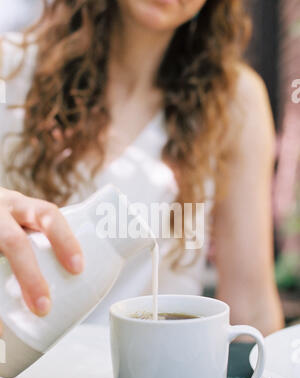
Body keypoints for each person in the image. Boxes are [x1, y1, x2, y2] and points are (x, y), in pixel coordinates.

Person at [0, 0, 284, 335]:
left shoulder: (234, 100)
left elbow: (250, 304)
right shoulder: (11, 69)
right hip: (20, 372)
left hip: (155, 377)